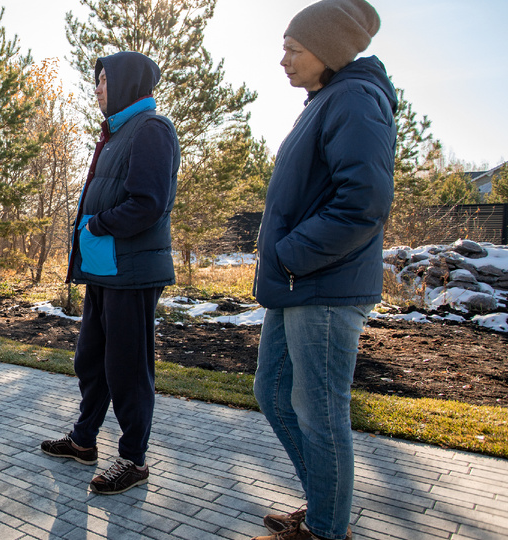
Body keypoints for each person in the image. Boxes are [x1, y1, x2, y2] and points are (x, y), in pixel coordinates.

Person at [250, 1, 395, 539]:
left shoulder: (354, 99)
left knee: (320, 414)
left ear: (328, 51)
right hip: (300, 284)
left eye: (294, 48)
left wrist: (289, 254)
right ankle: (324, 507)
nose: (283, 59)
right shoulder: (326, 99)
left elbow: (363, 202)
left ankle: (328, 529)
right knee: (272, 391)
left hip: (325, 287)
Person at [39, 51, 180, 495]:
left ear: (125, 83)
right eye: (97, 80)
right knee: (92, 359)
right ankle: (84, 441)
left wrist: (96, 225)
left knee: (128, 369)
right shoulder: (117, 132)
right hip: (105, 269)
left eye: (103, 80)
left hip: (132, 271)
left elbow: (149, 202)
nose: (96, 87)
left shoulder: (151, 130)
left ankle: (133, 459)